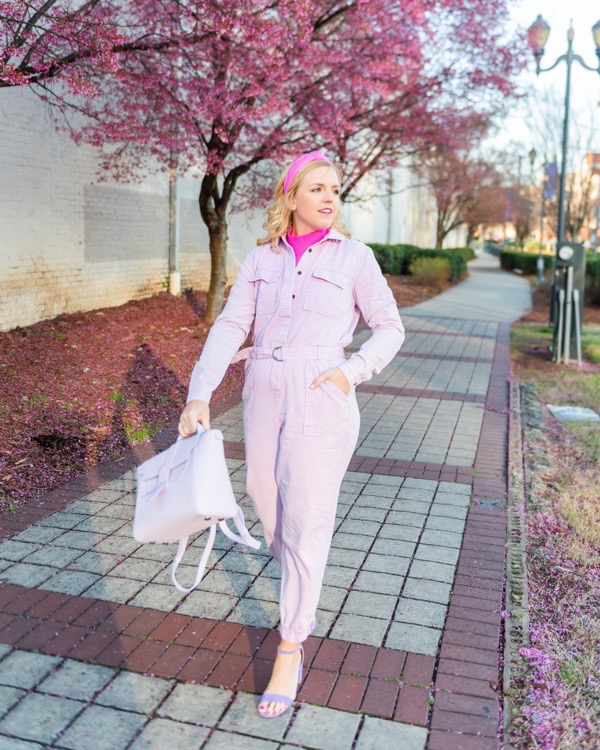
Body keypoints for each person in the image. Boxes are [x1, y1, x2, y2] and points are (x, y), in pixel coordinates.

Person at [178, 150, 405, 718]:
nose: (330, 197)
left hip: (321, 392)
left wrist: (350, 373)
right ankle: (299, 574)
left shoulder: (356, 257)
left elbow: (389, 327)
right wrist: (199, 393)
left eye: (335, 189)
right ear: (291, 197)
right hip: (263, 389)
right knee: (264, 498)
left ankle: (290, 644)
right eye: (318, 188)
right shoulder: (261, 258)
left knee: (306, 525)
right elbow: (232, 324)